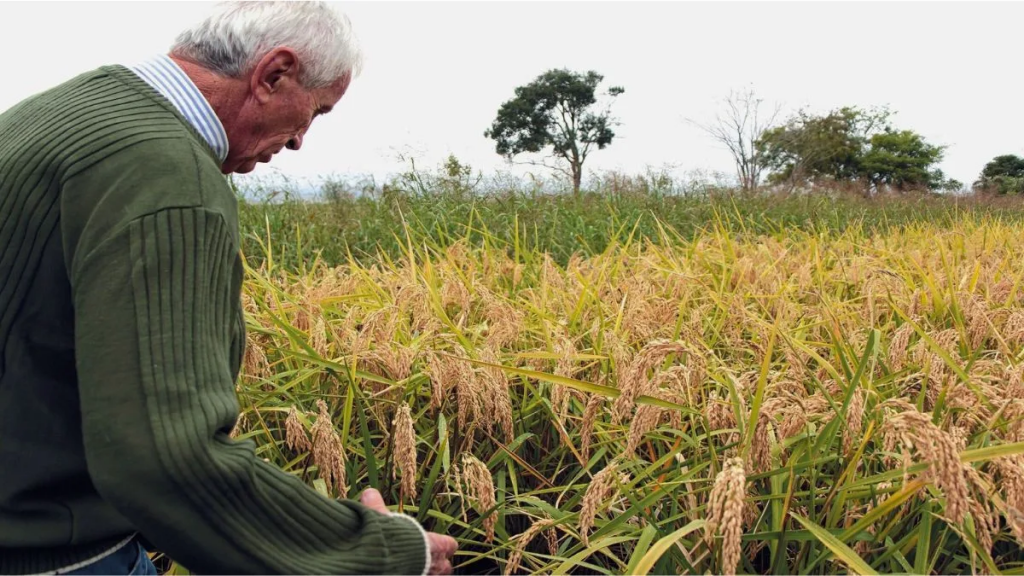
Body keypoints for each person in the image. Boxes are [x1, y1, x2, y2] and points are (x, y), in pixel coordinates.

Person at [0, 2, 457, 574]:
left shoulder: (45, 116)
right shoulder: (166, 176)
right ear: (273, 74)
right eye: (315, 111)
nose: (298, 143)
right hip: (57, 555)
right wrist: (374, 550)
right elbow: (165, 458)